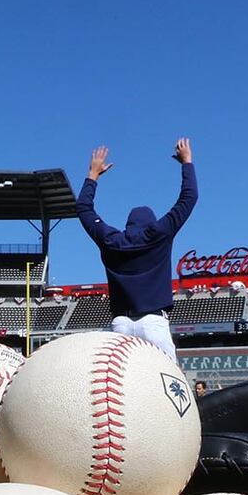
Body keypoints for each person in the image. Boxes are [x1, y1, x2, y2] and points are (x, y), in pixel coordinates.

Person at [77, 138, 198, 362]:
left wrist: (92, 175)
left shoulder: (111, 240)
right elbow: (188, 198)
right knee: (169, 388)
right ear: (150, 223)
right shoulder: (160, 233)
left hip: (120, 325)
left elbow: (84, 209)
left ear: (128, 225)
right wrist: (186, 162)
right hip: (154, 324)